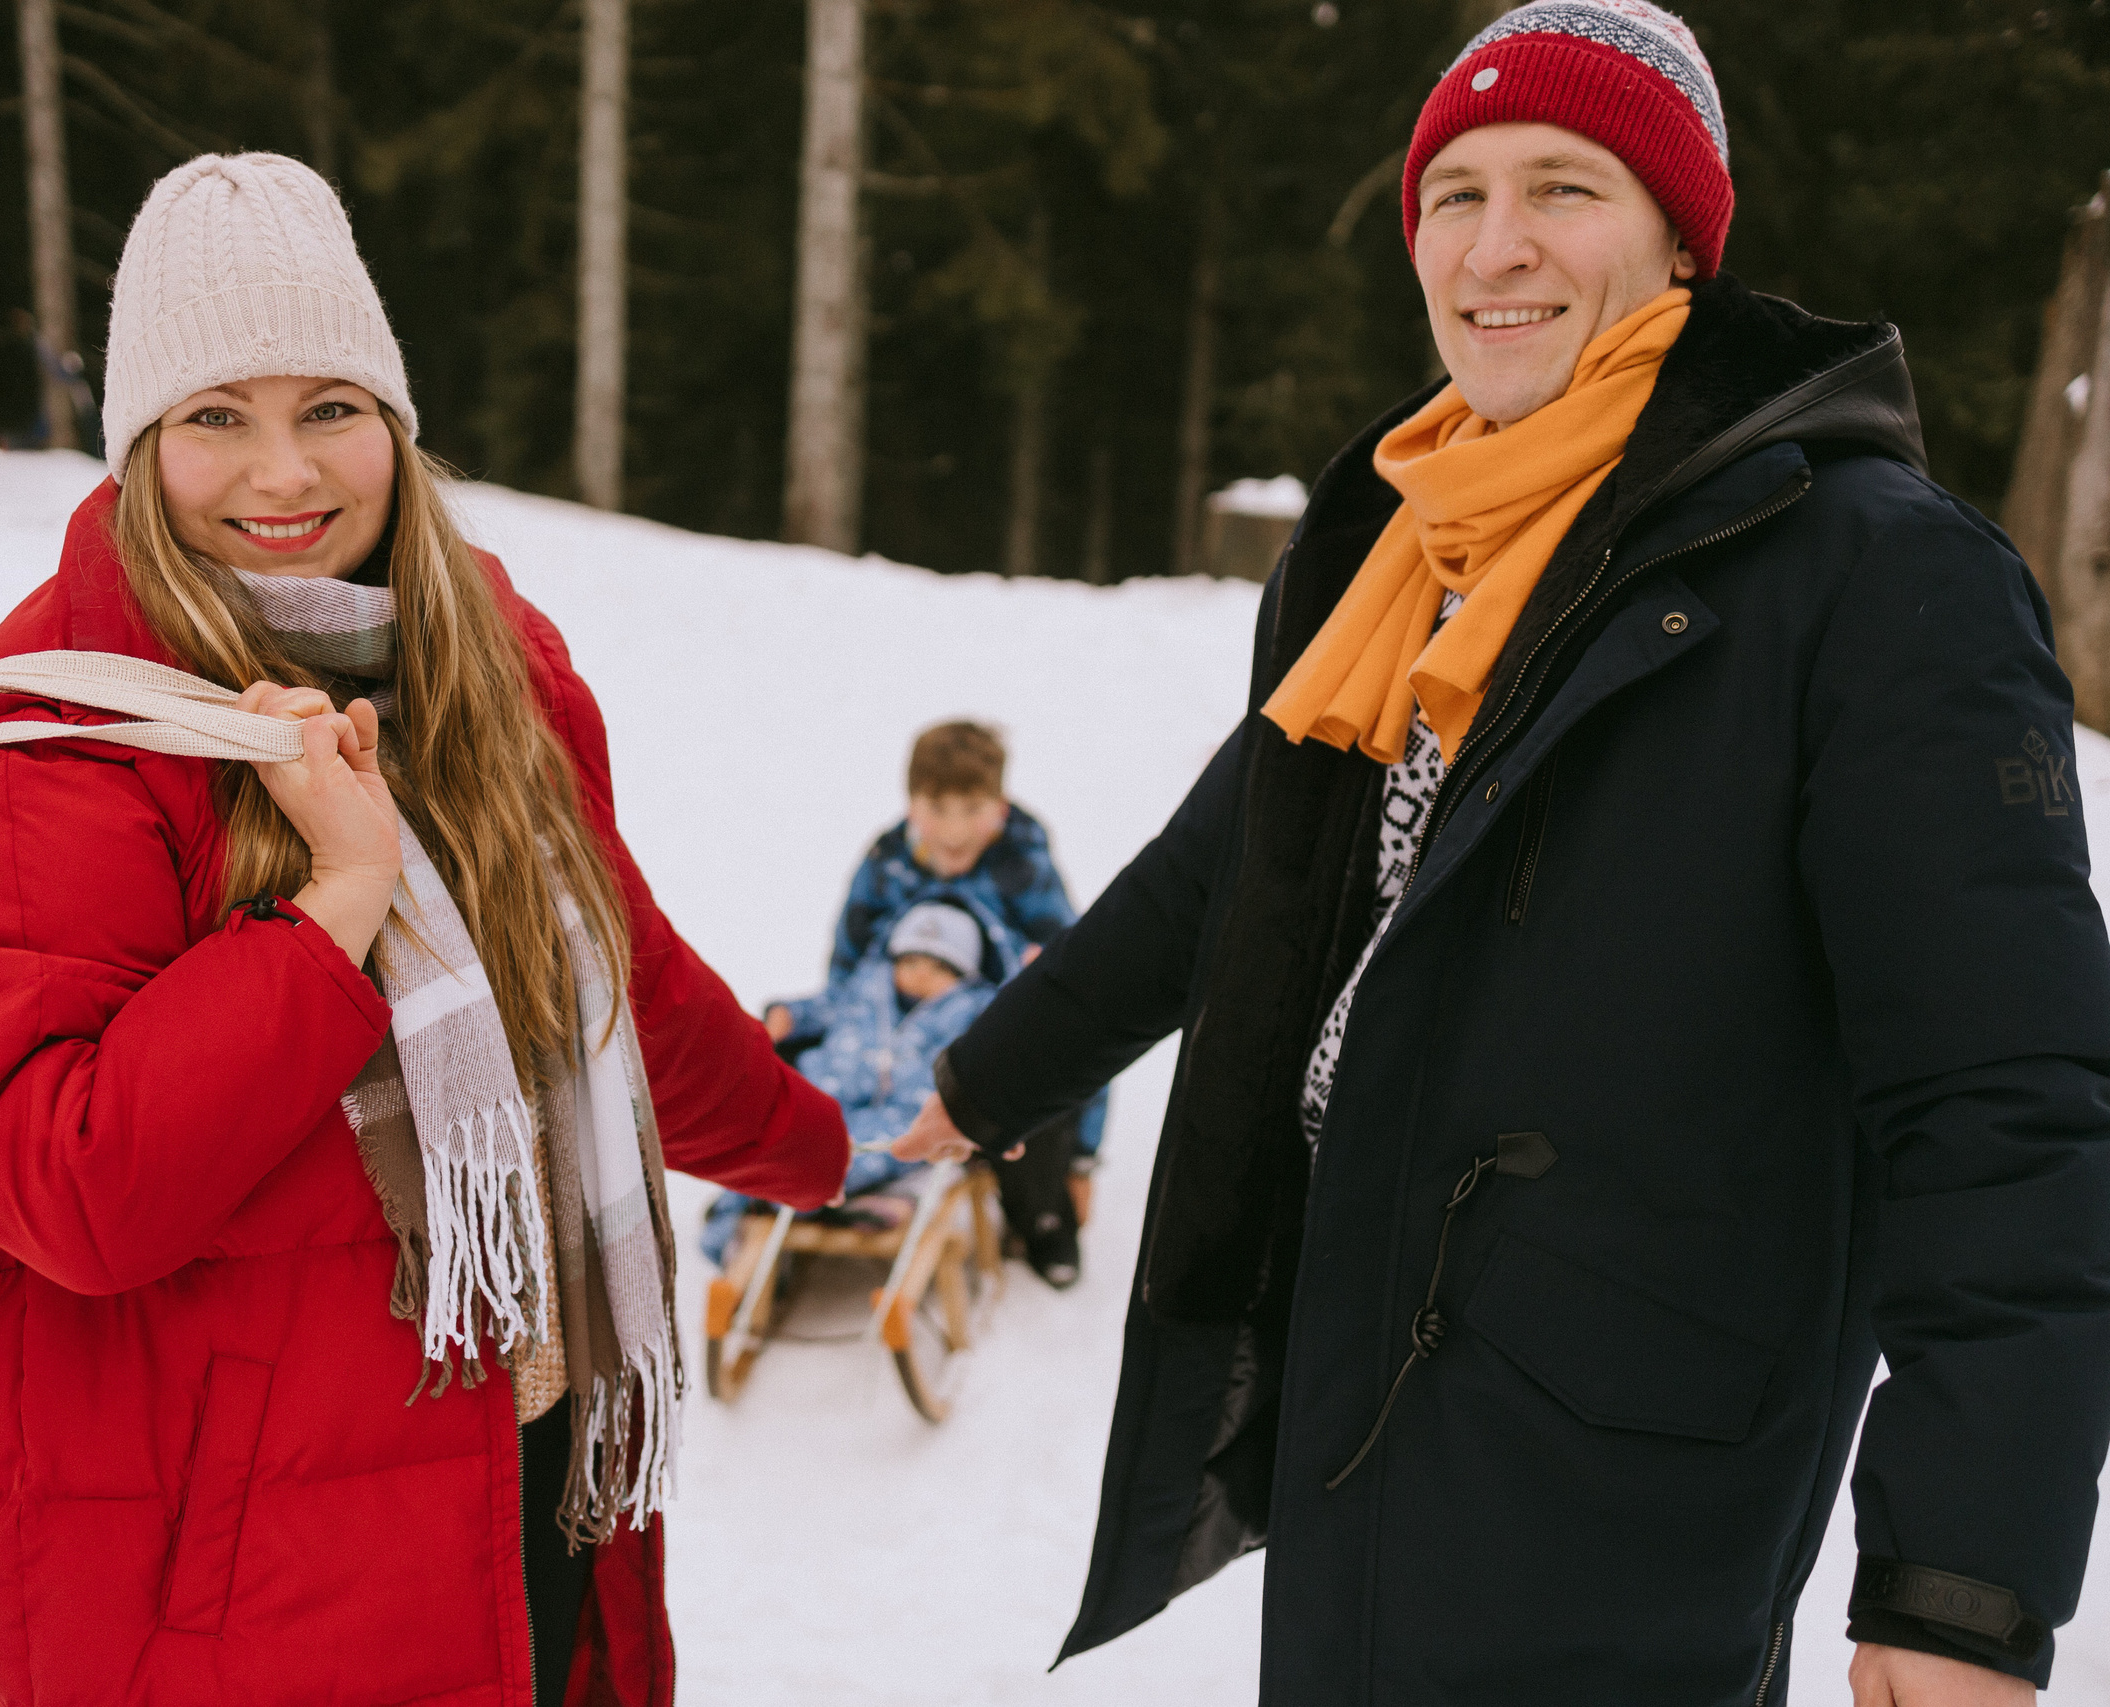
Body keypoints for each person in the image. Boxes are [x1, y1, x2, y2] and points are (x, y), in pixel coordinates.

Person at [896, 6, 2110, 1703]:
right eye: (1452, 196)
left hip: (1631, 1468)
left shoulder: (1870, 574)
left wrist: (1965, 1573)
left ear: (1682, 234)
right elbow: (1237, 855)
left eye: (1563, 186)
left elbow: (2006, 1099)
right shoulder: (1406, 540)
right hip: (1358, 1380)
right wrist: (989, 1072)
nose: (1497, 245)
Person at [0, 154, 846, 1707]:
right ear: (136, 443)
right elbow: (63, 1179)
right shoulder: (46, 745)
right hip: (217, 1600)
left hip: (505, 1479)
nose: (281, 472)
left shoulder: (484, 670)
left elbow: (611, 975)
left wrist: (835, 1143)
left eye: (329, 406)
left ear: (392, 419)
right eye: (214, 417)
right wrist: (332, 912)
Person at [777, 719, 1104, 1263]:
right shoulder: (887, 868)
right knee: (790, 1057)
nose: (953, 832)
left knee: (1045, 1064)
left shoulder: (1022, 871)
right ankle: (784, 1193)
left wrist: (1082, 1160)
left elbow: (1082, 1000)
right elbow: (848, 970)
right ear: (911, 805)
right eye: (937, 810)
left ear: (1000, 807)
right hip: (895, 1032)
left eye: (972, 811)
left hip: (979, 1041)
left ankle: (1042, 1219)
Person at [702, 902, 1020, 1268]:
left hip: (905, 1112)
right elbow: (821, 1006)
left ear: (963, 974)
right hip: (832, 1094)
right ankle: (733, 1225)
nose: (921, 976)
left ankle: (807, 1201)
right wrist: (788, 1014)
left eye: (939, 969)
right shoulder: (865, 989)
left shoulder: (968, 1011)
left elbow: (994, 1052)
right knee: (777, 1138)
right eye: (911, 963)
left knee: (860, 1153)